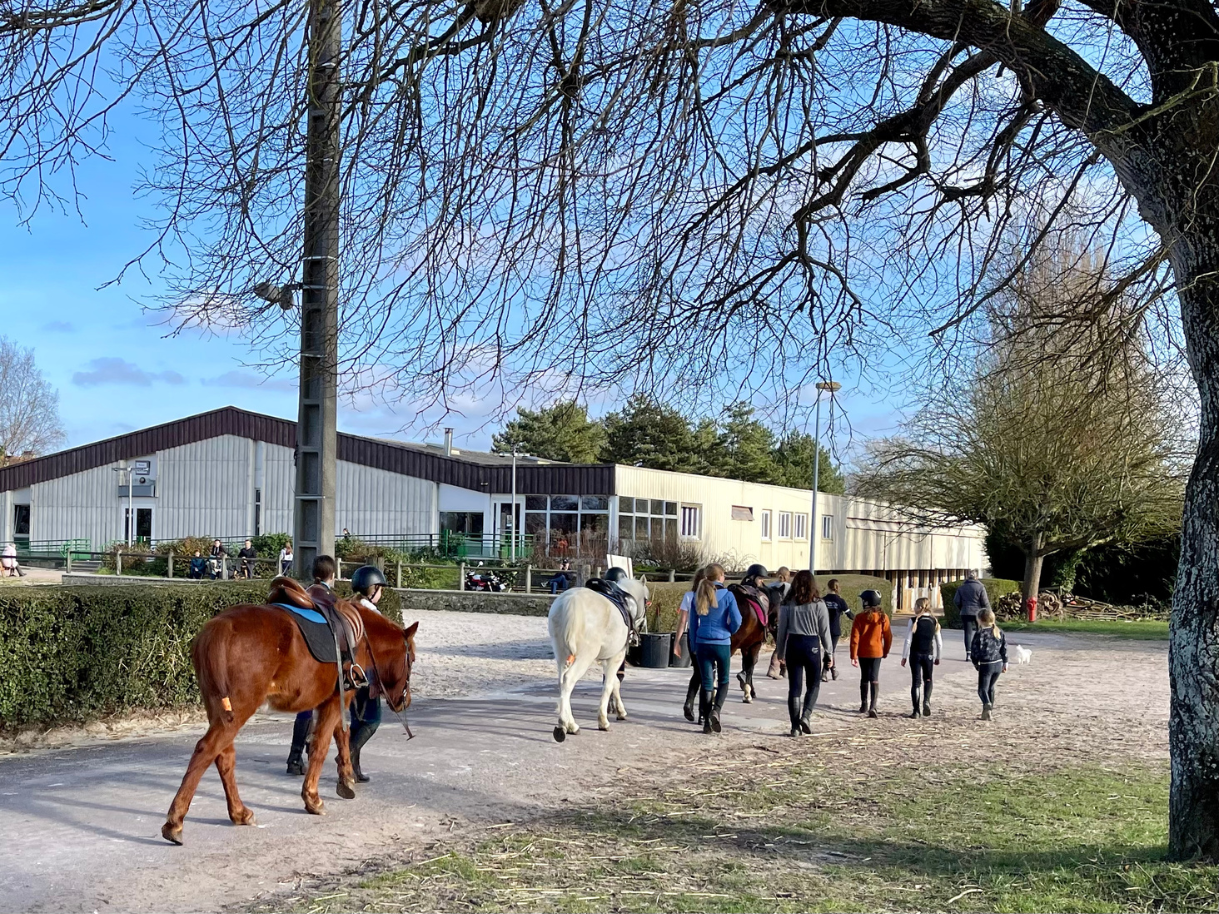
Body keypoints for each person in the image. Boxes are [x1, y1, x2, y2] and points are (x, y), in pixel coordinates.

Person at [286, 555, 339, 775]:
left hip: (299, 658)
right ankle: (307, 754)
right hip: (320, 661)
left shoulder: (303, 595)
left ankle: (295, 756)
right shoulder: (330, 600)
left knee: (305, 711)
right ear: (332, 576)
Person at [775, 570, 832, 737]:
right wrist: (829, 652)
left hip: (793, 643)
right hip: (812, 644)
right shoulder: (819, 604)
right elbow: (825, 631)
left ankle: (794, 727)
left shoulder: (787, 604)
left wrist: (780, 651)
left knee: (795, 687)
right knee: (813, 684)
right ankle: (806, 715)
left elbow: (781, 630)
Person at [687, 563, 741, 734]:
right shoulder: (728, 595)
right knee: (724, 680)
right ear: (720, 577)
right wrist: (729, 632)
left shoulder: (698, 594)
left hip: (702, 642)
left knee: (707, 682)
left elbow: (693, 624)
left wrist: (694, 645)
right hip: (722, 641)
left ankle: (706, 723)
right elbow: (737, 620)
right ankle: (716, 711)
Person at [348, 564, 386, 782]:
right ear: (372, 589)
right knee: (372, 720)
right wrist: (375, 681)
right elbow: (374, 651)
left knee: (356, 722)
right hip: (367, 674)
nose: (381, 594)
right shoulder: (372, 615)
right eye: (380, 589)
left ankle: (353, 769)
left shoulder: (351, 608)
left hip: (351, 674)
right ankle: (347, 756)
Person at [849, 589, 892, 718]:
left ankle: (864, 705)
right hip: (877, 651)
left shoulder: (859, 617)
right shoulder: (883, 617)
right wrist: (886, 651)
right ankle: (873, 706)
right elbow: (888, 636)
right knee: (874, 677)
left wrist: (853, 655)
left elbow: (855, 638)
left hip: (863, 652)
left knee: (864, 677)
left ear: (867, 602)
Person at [900, 597, 943, 718]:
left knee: (916, 682)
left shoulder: (913, 620)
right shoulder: (934, 621)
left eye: (915, 606)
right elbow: (939, 643)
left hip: (915, 654)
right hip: (928, 654)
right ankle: (927, 701)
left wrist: (904, 656)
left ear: (919, 607)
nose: (914, 608)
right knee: (928, 679)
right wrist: (938, 657)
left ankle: (916, 711)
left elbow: (908, 640)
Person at [677, 566, 709, 721]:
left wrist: (677, 641)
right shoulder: (713, 597)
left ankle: (689, 702)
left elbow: (682, 621)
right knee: (707, 675)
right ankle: (703, 711)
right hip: (708, 637)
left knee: (698, 672)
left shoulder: (689, 596)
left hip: (692, 637)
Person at [970, 606, 1008, 720]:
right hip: (998, 663)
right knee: (991, 688)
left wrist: (976, 663)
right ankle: (988, 713)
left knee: (982, 690)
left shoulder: (980, 633)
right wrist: (1005, 662)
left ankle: (987, 704)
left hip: (986, 664)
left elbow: (974, 651)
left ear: (980, 620)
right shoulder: (999, 631)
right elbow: (1004, 648)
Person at [953, 571, 991, 661]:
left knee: (967, 633)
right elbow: (985, 602)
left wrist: (962, 608)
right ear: (976, 577)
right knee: (980, 632)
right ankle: (979, 652)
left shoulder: (961, 587)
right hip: (978, 613)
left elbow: (956, 601)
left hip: (965, 612)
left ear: (967, 577)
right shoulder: (980, 587)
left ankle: (968, 654)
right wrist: (989, 612)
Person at [821, 578, 853, 682]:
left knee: (828, 649)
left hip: (824, 629)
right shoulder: (840, 601)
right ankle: (826, 672)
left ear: (828, 587)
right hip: (835, 629)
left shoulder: (823, 600)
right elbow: (849, 614)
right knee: (831, 650)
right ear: (837, 588)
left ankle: (831, 671)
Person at [766, 567, 792, 679]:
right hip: (782, 618)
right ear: (787, 576)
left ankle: (783, 668)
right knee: (782, 644)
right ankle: (774, 668)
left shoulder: (769, 586)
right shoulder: (788, 587)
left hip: (769, 619)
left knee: (780, 644)